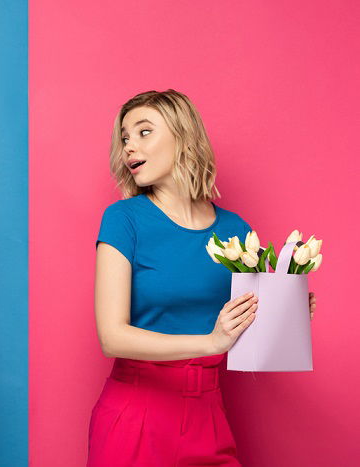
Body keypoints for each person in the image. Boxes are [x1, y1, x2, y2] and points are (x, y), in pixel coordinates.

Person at [87, 90, 317, 466]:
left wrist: (287, 313)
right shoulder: (123, 219)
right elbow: (112, 337)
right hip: (135, 416)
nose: (129, 146)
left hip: (208, 416)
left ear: (183, 138)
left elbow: (251, 333)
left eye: (144, 132)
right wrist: (210, 342)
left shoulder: (235, 230)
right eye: (125, 137)